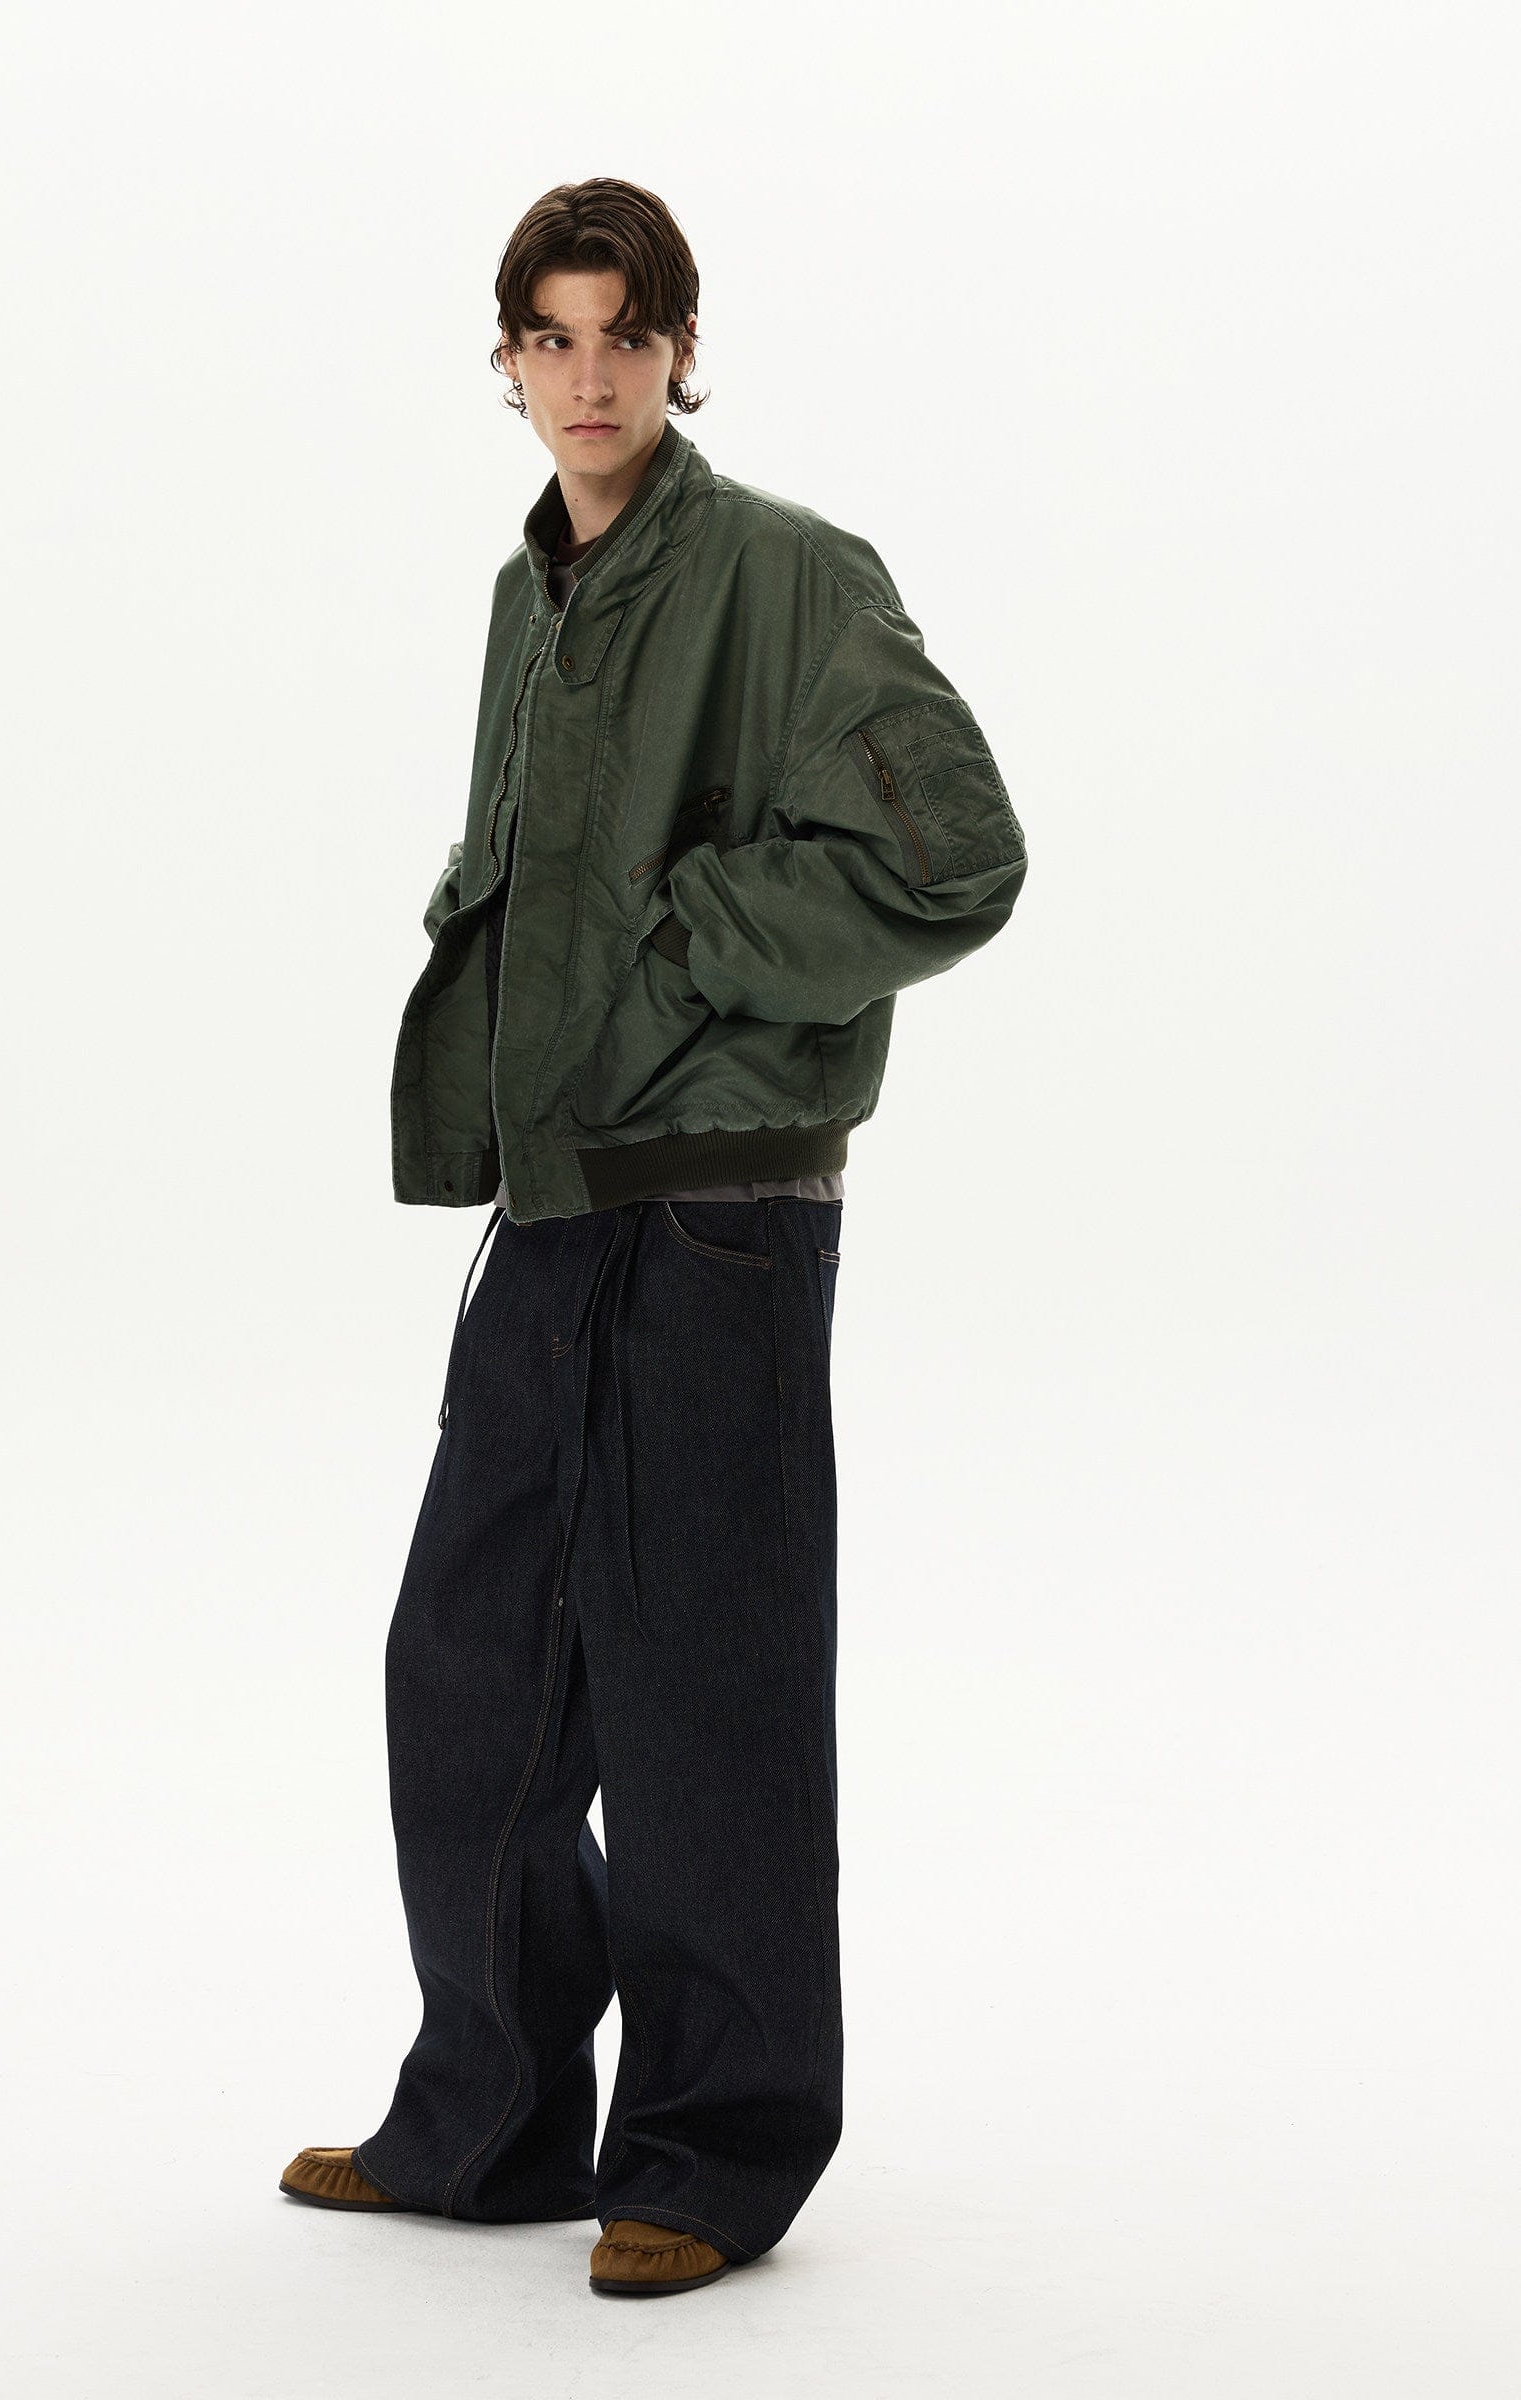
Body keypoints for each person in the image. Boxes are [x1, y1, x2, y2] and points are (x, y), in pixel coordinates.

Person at [280, 177, 1027, 2297]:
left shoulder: (790, 576)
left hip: (720, 1212)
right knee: (470, 1674)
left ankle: (713, 2150)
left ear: (684, 350)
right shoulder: (532, 596)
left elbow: (958, 857)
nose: (589, 376)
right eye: (554, 336)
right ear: (509, 360)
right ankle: (498, 2114)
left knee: (708, 1694)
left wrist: (694, 939)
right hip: (557, 1201)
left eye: (627, 334)